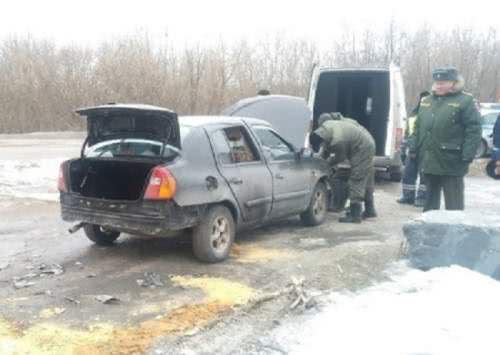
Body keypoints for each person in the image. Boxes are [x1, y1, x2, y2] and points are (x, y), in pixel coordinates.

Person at [411, 67, 482, 211]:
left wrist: (467, 155)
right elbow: (417, 127)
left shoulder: (465, 101)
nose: (439, 85)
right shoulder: (426, 101)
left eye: (443, 82)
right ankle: (430, 230)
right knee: (429, 204)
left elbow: (473, 130)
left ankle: (455, 232)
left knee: (454, 205)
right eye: (437, 82)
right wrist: (413, 147)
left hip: (452, 161)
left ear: (454, 83)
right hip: (429, 159)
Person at [310, 112, 376, 223]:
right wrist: (321, 159)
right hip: (367, 143)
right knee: (367, 177)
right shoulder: (330, 127)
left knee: (356, 178)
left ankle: (355, 215)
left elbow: (340, 156)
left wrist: (327, 164)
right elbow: (326, 147)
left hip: (362, 148)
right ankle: (370, 210)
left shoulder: (337, 138)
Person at [397, 91, 430, 207]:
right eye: (422, 100)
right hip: (412, 148)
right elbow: (408, 133)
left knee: (424, 175)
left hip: (425, 150)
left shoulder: (431, 115)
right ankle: (408, 196)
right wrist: (404, 148)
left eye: (426, 100)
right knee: (408, 174)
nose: (423, 102)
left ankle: (422, 198)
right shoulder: (413, 114)